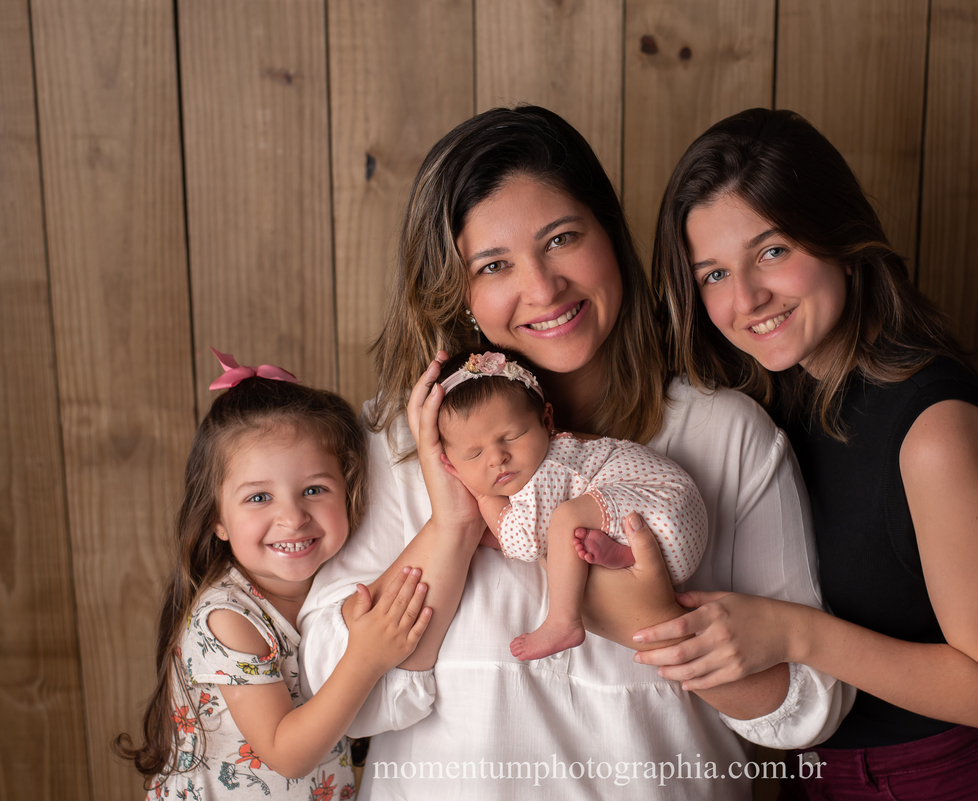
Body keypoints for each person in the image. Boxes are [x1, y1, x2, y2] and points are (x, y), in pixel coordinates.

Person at [298, 105, 854, 800]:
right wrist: (454, 527)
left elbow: (804, 708)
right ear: (461, 293)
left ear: (611, 238)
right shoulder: (403, 439)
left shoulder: (725, 434)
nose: (543, 288)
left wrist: (656, 621)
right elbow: (327, 686)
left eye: (561, 239)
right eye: (494, 264)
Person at [644, 108, 978, 799]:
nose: (746, 299)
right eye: (712, 274)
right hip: (816, 776)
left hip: (946, 780)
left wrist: (793, 634)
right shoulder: (778, 402)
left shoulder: (936, 432)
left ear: (840, 237)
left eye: (772, 251)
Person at [115, 349, 432, 800]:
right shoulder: (227, 619)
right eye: (259, 498)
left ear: (350, 491)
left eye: (314, 489)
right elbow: (287, 754)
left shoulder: (335, 582)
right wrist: (367, 657)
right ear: (216, 519)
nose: (293, 517)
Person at [433, 347, 707, 661]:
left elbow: (525, 543)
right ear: (450, 464)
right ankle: (623, 554)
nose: (497, 458)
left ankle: (563, 622)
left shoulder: (547, 468)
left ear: (546, 420)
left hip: (665, 508)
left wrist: (483, 496)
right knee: (567, 530)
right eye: (474, 454)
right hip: (664, 536)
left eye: (512, 436)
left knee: (566, 519)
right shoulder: (554, 461)